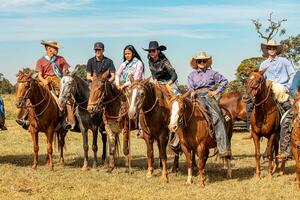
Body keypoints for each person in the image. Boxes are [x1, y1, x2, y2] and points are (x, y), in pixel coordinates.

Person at [243, 39, 296, 140]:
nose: (271, 49)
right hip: (268, 90)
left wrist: (287, 86)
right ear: (267, 50)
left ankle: (290, 129)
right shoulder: (263, 64)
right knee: (250, 105)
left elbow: (293, 74)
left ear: (276, 49)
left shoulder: (284, 61)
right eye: (269, 48)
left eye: (273, 48)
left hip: (281, 89)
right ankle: (251, 129)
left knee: (288, 106)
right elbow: (260, 78)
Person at [16, 40, 74, 130]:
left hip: (57, 81)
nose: (57, 49)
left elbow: (65, 71)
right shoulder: (40, 61)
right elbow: (39, 75)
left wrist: (66, 75)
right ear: (48, 49)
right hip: (44, 81)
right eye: (55, 48)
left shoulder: (61, 59)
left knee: (66, 98)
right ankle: (24, 118)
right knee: (30, 97)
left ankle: (66, 121)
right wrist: (44, 81)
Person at [188, 51, 231, 157]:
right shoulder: (191, 75)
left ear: (207, 62)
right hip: (195, 98)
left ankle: (222, 148)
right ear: (196, 63)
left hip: (208, 98)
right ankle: (177, 143)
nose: (202, 62)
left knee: (218, 117)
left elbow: (224, 81)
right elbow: (189, 86)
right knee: (181, 115)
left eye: (204, 60)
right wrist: (192, 91)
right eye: (199, 61)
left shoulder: (213, 73)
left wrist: (216, 91)